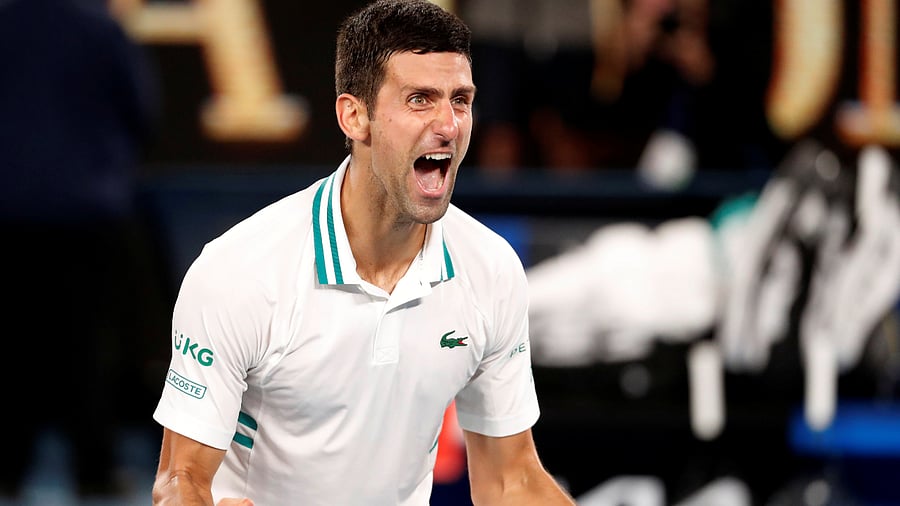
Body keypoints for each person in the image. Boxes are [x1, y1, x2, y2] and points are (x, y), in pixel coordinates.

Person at [150, 1, 576, 505]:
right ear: (355, 116)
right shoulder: (239, 273)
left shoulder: (491, 269)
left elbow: (511, 480)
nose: (449, 124)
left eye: (460, 100)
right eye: (420, 99)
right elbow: (181, 481)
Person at [0, 0, 160, 498]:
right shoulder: (100, 28)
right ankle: (94, 469)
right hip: (88, 209)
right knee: (88, 341)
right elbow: (140, 111)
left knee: (10, 340)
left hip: (7, 209)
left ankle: (7, 466)